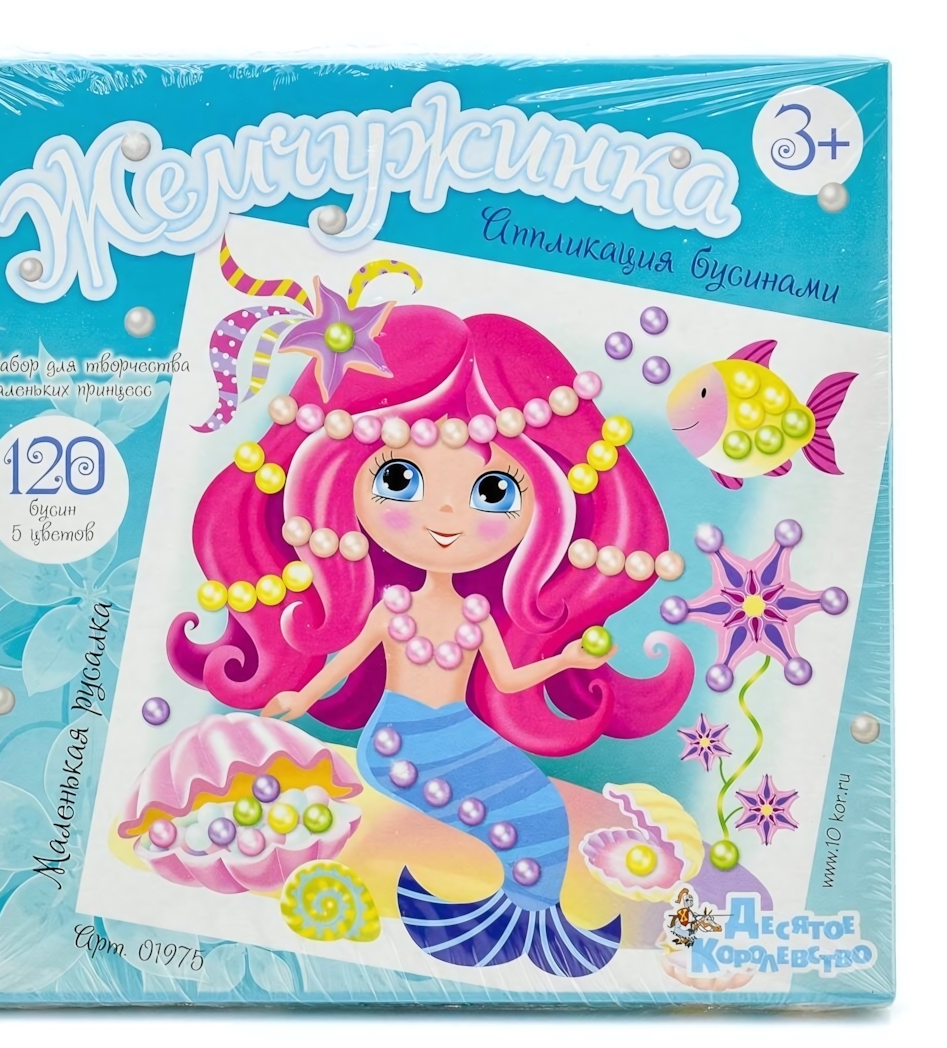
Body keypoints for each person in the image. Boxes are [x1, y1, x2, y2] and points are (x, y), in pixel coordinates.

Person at [169, 295, 693, 976]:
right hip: (401, 740)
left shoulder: (476, 614)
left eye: (493, 492)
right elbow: (341, 664)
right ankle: (503, 918)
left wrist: (563, 657)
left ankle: (524, 921)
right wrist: (298, 699)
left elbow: (507, 678)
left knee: (540, 812)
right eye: (399, 478)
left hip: (450, 732)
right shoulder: (392, 609)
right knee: (522, 813)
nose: (445, 514)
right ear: (340, 486)